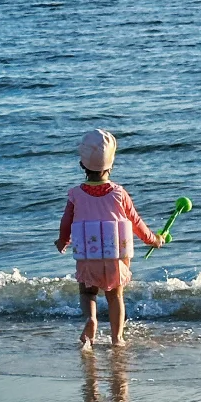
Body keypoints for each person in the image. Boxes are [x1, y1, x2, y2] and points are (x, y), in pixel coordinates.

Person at [55, 128, 165, 350]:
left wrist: (62, 241)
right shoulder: (118, 192)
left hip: (89, 257)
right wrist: (153, 239)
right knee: (115, 296)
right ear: (111, 165)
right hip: (115, 257)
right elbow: (136, 222)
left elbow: (66, 222)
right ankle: (117, 338)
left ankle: (91, 320)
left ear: (82, 165)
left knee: (88, 292)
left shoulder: (75, 194)